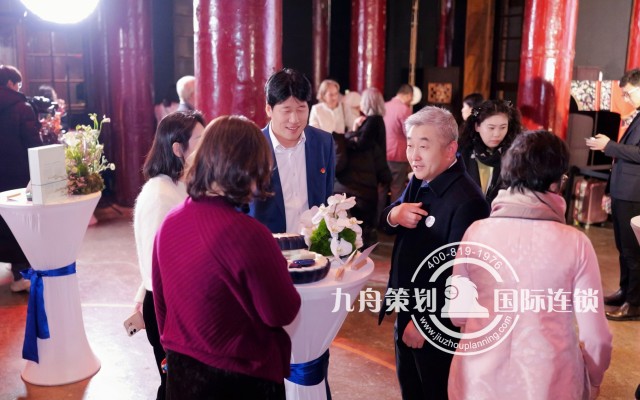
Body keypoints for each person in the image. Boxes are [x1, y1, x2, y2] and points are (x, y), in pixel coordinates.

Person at [450, 130, 612, 399]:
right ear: (556, 183)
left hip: (476, 381)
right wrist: (594, 378)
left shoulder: (476, 232)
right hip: (550, 384)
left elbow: (458, 313)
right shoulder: (576, 243)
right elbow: (596, 337)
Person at [153, 115, 301, 399]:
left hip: (182, 372)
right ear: (249, 169)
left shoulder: (171, 221)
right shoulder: (248, 234)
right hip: (240, 377)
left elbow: (161, 304)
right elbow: (281, 311)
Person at [378, 106, 490, 399]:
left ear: (450, 149)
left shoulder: (468, 201)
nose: (414, 155)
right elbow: (386, 220)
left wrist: (424, 324)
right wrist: (395, 215)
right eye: (410, 145)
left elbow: (458, 276)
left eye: (423, 146)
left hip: (433, 323)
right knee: (411, 389)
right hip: (408, 307)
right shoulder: (421, 178)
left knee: (435, 391)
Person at [133, 110, 205, 400]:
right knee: (174, 389)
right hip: (168, 309)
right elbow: (158, 268)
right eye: (200, 140)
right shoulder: (160, 195)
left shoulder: (180, 184)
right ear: (177, 149)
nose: (206, 147)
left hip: (179, 304)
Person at [249, 68, 335, 234]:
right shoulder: (251, 147)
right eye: (286, 110)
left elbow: (327, 200)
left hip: (313, 246)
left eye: (301, 109)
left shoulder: (324, 143)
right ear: (269, 109)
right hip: (268, 244)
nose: (294, 119)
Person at [586, 68, 640, 321]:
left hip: (634, 193)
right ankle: (625, 291)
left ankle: (634, 303)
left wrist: (609, 146)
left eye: (629, 93)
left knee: (633, 251)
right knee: (623, 247)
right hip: (624, 189)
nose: (626, 99)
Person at [0, 65, 42, 293]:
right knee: (18, 223)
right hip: (16, 175)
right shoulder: (21, 108)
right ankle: (20, 276)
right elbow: (33, 145)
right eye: (17, 83)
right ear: (10, 83)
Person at [334, 87, 391, 247]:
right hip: (374, 169)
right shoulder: (376, 120)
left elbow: (362, 144)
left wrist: (350, 136)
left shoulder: (372, 121)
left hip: (370, 169)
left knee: (367, 212)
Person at [458, 99, 523, 205]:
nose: (497, 134)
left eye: (503, 127)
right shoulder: (461, 154)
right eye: (491, 128)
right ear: (477, 126)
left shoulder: (516, 156)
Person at [383, 84, 413, 203]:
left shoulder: (384, 106)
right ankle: (393, 214)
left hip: (382, 153)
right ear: (409, 95)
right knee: (397, 188)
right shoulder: (405, 110)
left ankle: (378, 214)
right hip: (398, 155)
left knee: (381, 188)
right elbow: (410, 133)